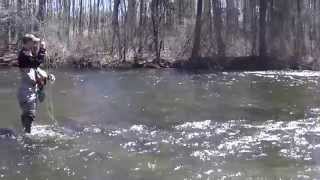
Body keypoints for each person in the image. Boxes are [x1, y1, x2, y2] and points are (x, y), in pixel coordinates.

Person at [17, 34, 55, 133]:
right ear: (28, 42)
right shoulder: (24, 54)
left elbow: (35, 69)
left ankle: (26, 131)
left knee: (29, 114)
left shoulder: (28, 53)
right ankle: (27, 136)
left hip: (31, 90)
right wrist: (42, 50)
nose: (35, 44)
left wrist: (47, 76)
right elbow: (36, 63)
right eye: (34, 42)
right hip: (26, 91)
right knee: (30, 114)